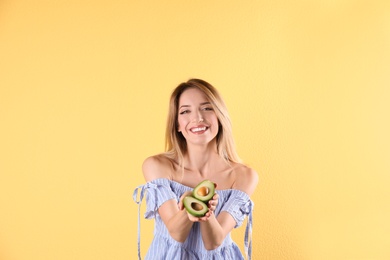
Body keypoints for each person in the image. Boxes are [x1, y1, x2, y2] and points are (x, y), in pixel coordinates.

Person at [133, 78, 259, 259]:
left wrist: (206, 212)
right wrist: (189, 208)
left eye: (207, 108)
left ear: (220, 115)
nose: (197, 118)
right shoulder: (157, 166)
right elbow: (177, 233)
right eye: (185, 111)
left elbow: (213, 242)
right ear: (177, 124)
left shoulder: (243, 175)